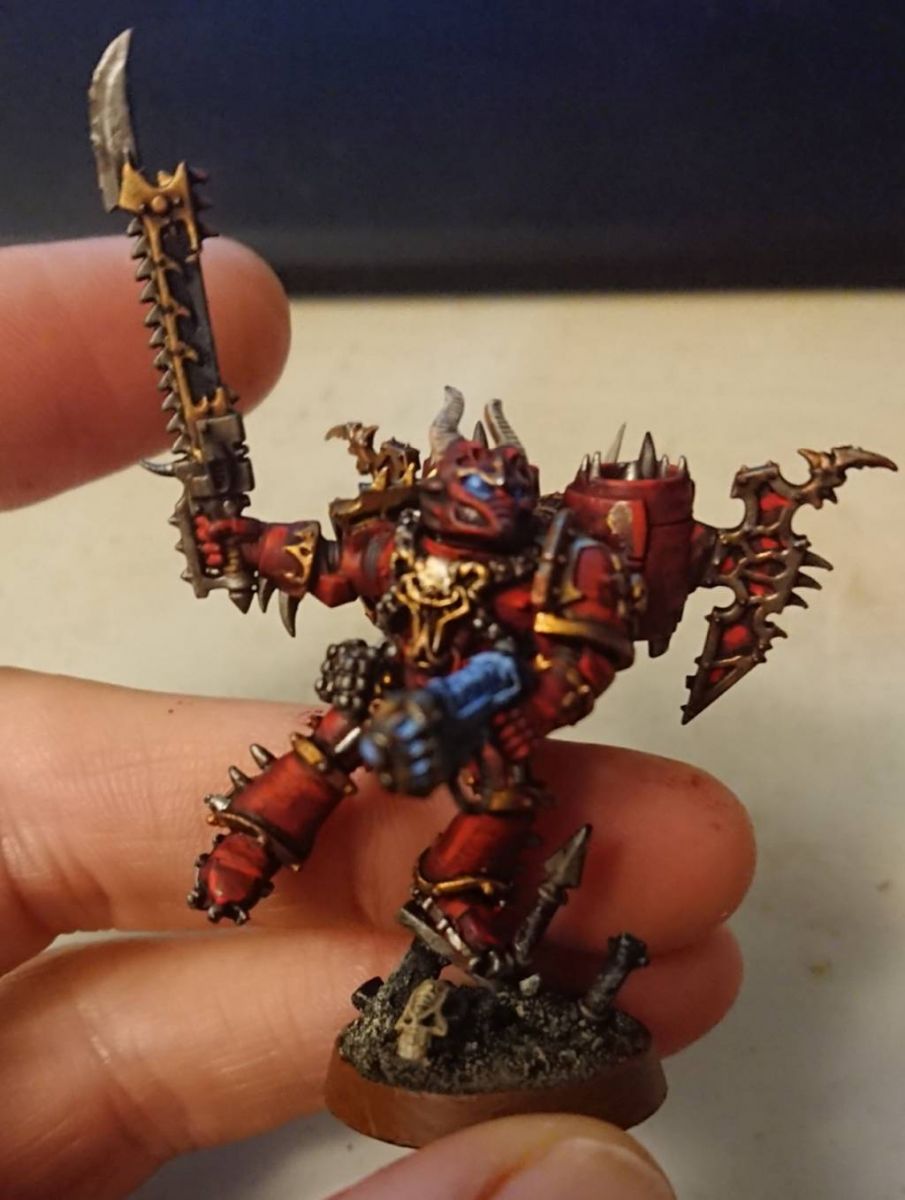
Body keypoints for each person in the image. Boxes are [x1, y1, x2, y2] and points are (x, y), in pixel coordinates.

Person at [0, 237, 755, 1200]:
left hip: (499, 709)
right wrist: (231, 533)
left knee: (496, 813)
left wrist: (512, 710)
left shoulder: (560, 564)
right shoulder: (399, 549)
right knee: (331, 742)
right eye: (463, 496)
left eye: (494, 497)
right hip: (399, 683)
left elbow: (582, 663)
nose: (474, 516)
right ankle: (246, 852)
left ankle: (458, 917)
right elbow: (313, 563)